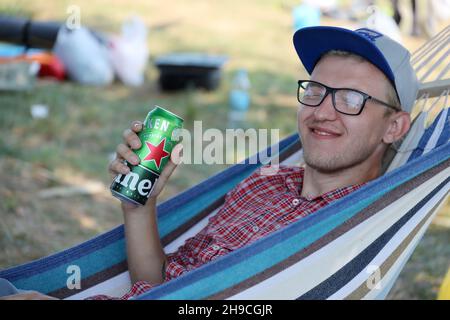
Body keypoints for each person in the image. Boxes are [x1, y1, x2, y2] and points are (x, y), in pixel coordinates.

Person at [0, 26, 419, 300]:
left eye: (350, 99)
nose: (322, 112)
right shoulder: (263, 184)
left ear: (394, 127)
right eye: (315, 90)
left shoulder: (352, 232)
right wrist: (139, 207)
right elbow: (166, 285)